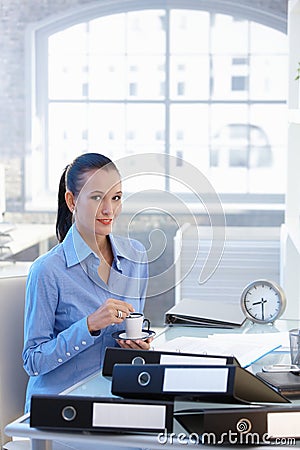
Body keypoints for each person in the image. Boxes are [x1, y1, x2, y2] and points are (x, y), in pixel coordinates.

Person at [23, 153, 152, 413]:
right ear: (72, 201)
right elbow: (33, 361)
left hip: (117, 398)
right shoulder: (48, 270)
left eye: (116, 198)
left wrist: (138, 345)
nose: (109, 210)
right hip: (61, 406)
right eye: (97, 198)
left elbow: (133, 332)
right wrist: (90, 326)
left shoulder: (136, 257)